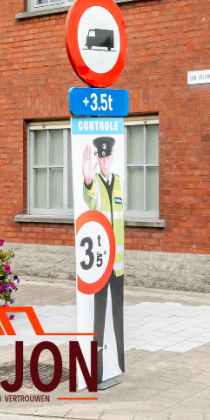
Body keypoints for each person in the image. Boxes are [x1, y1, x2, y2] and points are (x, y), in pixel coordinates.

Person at [80, 135, 124, 376]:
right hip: (101, 263)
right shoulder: (94, 182)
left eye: (107, 157)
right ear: (97, 159)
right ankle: (96, 371)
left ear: (112, 157)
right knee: (99, 319)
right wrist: (87, 179)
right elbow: (90, 199)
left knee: (118, 317)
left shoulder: (119, 183)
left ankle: (119, 364)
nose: (104, 161)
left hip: (119, 267)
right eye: (101, 157)